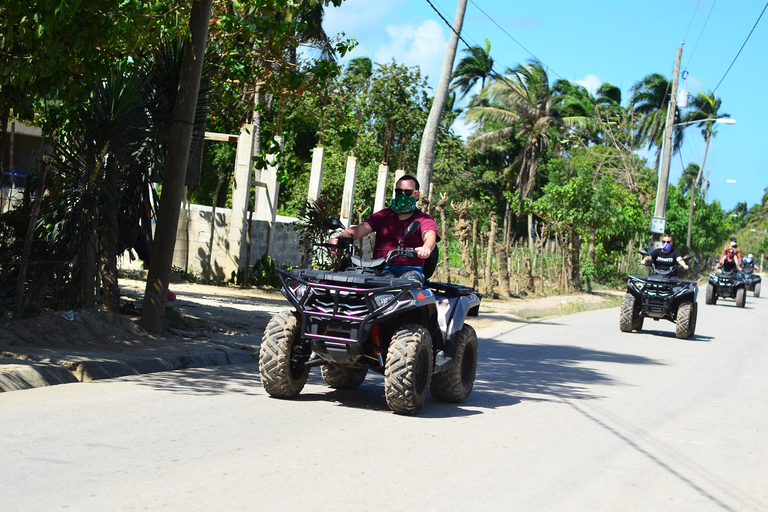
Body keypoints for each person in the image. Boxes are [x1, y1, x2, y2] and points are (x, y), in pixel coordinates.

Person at [330, 174, 439, 277]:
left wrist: (426, 248)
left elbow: (429, 235)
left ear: (416, 195)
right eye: (399, 191)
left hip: (410, 271)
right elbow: (359, 229)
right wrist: (339, 238)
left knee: (409, 288)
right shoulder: (383, 215)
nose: (402, 195)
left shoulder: (423, 218)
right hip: (379, 270)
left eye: (407, 192)